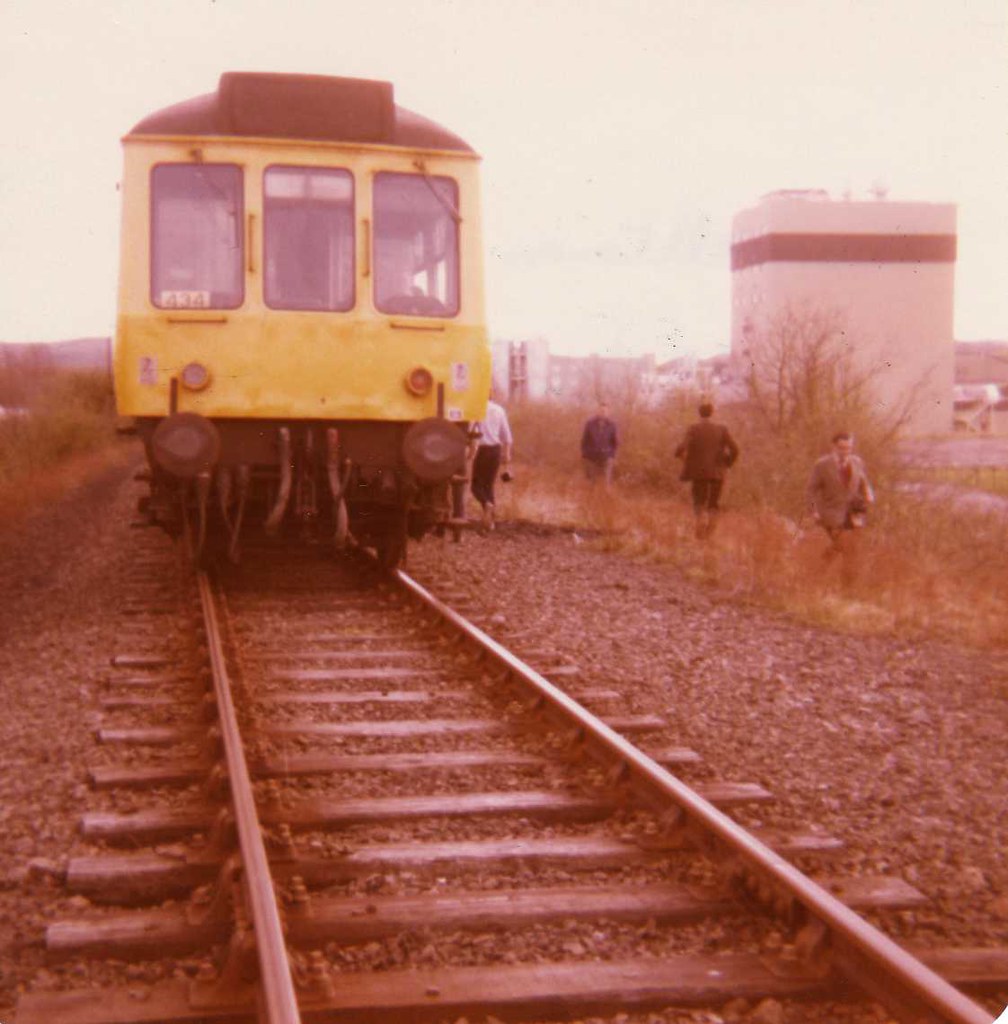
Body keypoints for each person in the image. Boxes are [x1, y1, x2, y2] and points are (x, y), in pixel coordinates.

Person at [807, 431, 874, 579]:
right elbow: (811, 490)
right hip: (831, 514)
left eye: (849, 448)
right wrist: (814, 511)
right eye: (842, 448)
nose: (845, 452)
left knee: (844, 549)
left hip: (853, 515)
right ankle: (847, 586)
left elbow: (863, 482)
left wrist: (868, 494)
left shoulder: (857, 462)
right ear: (834, 447)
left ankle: (816, 573)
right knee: (848, 548)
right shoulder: (822, 465)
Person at [674, 401, 740, 539]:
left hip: (698, 472)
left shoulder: (693, 429)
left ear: (699, 413)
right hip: (717, 472)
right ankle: (710, 530)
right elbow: (735, 450)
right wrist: (727, 463)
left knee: (699, 500)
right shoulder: (722, 429)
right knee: (714, 502)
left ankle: (700, 524)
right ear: (712, 413)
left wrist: (684, 459)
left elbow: (681, 449)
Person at [469, 395, 513, 532]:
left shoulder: (476, 409)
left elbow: (470, 432)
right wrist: (507, 454)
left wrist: (470, 452)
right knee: (489, 486)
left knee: (476, 486)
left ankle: (486, 504)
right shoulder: (499, 410)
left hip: (482, 450)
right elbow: (507, 436)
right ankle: (490, 523)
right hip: (496, 450)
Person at [580, 402, 619, 487]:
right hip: (591, 457)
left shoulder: (612, 425)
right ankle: (590, 499)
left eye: (605, 411)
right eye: (601, 411)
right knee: (591, 483)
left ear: (608, 412)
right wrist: (585, 454)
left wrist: (611, 456)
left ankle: (605, 499)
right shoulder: (589, 424)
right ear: (597, 411)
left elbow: (615, 442)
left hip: (606, 457)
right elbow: (584, 440)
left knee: (606, 483)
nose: (603, 413)